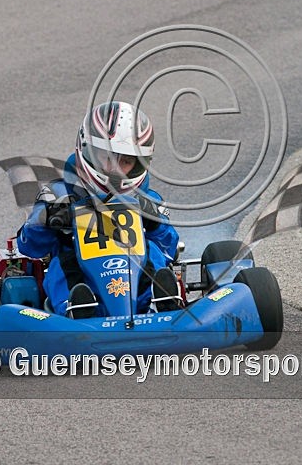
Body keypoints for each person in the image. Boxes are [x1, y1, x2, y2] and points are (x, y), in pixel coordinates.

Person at [16, 101, 182, 319]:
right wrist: (48, 220)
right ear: (87, 149)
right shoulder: (57, 193)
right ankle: (76, 310)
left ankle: (159, 303)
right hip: (82, 279)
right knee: (62, 264)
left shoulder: (148, 200)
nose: (115, 169)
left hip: (134, 279)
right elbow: (29, 246)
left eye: (126, 162)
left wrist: (154, 223)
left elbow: (170, 250)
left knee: (152, 253)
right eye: (107, 158)